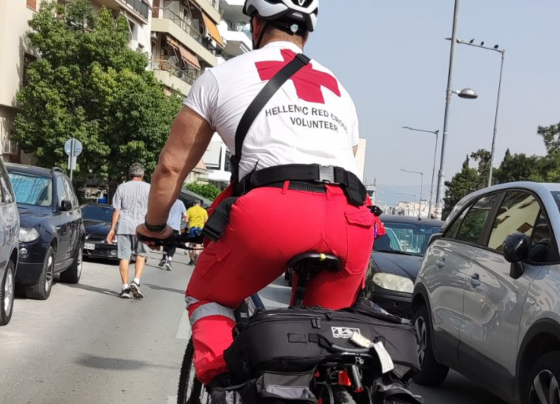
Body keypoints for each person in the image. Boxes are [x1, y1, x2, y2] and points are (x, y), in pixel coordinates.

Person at [137, 0, 374, 389]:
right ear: (307, 32)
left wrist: (155, 225)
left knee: (207, 296)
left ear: (256, 24)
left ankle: (223, 384)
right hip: (351, 220)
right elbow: (348, 169)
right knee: (325, 335)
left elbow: (171, 167)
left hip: (274, 213)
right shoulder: (338, 89)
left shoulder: (220, 77)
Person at [108, 163, 151, 299]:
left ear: (129, 174)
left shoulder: (122, 187)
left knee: (124, 257)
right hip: (143, 228)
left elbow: (116, 210)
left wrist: (112, 229)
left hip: (124, 227)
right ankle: (136, 281)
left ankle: (125, 287)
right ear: (142, 174)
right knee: (141, 255)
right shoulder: (149, 188)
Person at [159, 199, 187, 271]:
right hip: (175, 227)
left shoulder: (167, 201)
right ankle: (169, 261)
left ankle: (164, 258)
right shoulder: (180, 203)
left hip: (166, 226)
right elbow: (185, 215)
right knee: (173, 245)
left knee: (165, 243)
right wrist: (183, 221)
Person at [185, 199, 208, 265]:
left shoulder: (190, 209)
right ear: (200, 204)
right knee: (198, 243)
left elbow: (186, 220)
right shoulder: (204, 211)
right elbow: (206, 220)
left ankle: (191, 259)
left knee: (191, 244)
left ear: (193, 204)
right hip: (200, 229)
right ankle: (196, 254)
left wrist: (189, 221)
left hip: (192, 228)